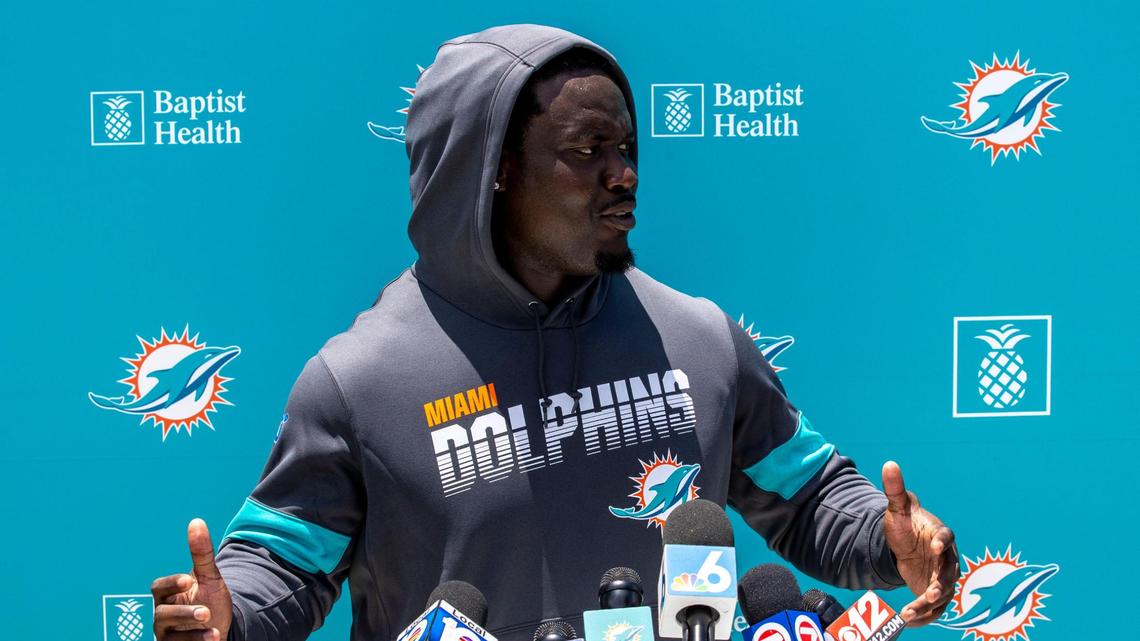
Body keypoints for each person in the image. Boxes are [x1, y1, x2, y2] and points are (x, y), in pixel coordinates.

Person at [150, 24, 959, 641]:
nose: (625, 173)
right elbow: (281, 563)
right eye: (588, 149)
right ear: (490, 167)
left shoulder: (701, 338)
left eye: (630, 147)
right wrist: (231, 615)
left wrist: (894, 544)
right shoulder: (358, 380)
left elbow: (812, 495)